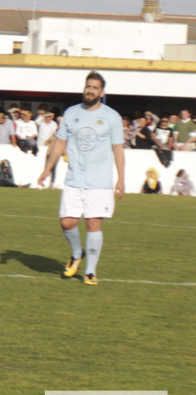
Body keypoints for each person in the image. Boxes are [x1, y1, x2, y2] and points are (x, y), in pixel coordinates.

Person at [38, 71, 125, 286]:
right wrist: (48, 168)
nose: (90, 90)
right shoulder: (70, 113)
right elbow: (59, 143)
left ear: (102, 92)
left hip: (100, 182)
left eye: (95, 87)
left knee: (93, 224)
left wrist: (121, 179)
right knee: (67, 222)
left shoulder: (112, 117)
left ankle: (90, 272)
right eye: (88, 86)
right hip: (74, 179)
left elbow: (118, 149)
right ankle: (77, 253)